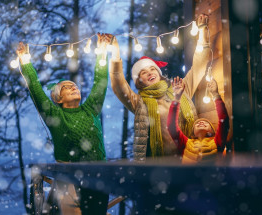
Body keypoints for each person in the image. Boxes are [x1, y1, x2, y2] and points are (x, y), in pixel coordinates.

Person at [16, 34, 109, 214]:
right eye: (67, 87)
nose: (74, 87)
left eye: (75, 85)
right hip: (70, 178)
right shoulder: (55, 115)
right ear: (58, 98)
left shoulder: (91, 109)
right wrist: (25, 61)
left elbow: (100, 83)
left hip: (100, 174)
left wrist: (103, 53)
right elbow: (35, 87)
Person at [109, 14, 211, 161]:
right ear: (140, 82)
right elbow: (118, 85)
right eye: (143, 72)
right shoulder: (139, 102)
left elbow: (199, 66)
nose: (149, 73)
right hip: (157, 165)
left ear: (159, 72)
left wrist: (202, 33)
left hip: (189, 159)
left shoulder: (180, 89)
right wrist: (115, 52)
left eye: (152, 69)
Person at [166, 77, 229, 164]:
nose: (201, 122)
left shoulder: (217, 141)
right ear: (193, 132)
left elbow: (224, 120)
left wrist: (215, 95)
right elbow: (171, 126)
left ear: (212, 130)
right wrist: (177, 98)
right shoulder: (185, 143)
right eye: (197, 123)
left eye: (206, 122)